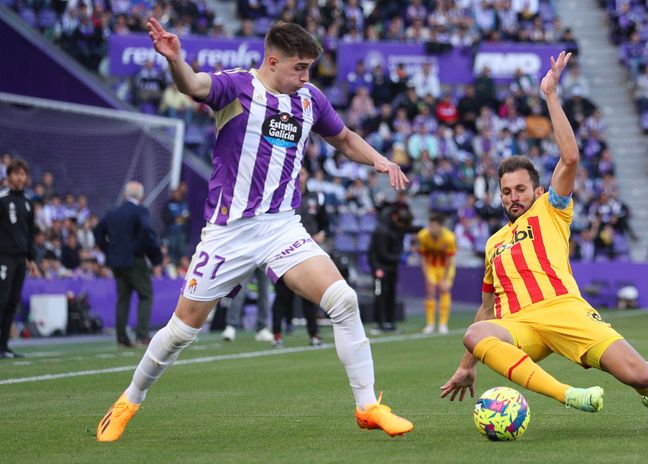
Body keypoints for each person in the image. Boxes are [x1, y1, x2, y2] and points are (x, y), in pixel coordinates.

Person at [96, 19, 413, 442]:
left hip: (282, 226)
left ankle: (368, 406)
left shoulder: (310, 99)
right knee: (181, 332)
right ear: (272, 60)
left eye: (309, 69)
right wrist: (175, 60)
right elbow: (193, 84)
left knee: (343, 299)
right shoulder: (237, 87)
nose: (305, 78)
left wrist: (379, 160)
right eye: (299, 68)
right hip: (230, 230)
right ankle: (127, 401)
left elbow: (343, 137)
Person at [439, 52, 648, 432]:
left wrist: (550, 95)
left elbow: (571, 156)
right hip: (520, 326)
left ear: (537, 190)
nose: (513, 196)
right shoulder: (493, 242)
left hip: (565, 311)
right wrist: (466, 367)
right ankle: (568, 395)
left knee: (639, 375)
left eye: (520, 189)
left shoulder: (551, 210)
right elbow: (486, 308)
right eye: (506, 191)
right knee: (475, 331)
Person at [93, 181, 163, 348]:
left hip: (116, 262)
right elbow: (147, 234)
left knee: (123, 299)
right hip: (135, 260)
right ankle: (142, 335)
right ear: (141, 195)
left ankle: (122, 338)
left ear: (125, 195)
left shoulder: (112, 212)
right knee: (145, 295)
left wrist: (108, 251)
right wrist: (156, 258)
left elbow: (97, 231)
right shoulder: (140, 210)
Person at [271, 167, 329, 347]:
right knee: (282, 297)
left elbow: (325, 223)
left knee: (309, 296)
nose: (299, 177)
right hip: (285, 253)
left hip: (307, 253)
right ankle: (277, 335)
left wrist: (322, 234)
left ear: (307, 176)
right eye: (297, 173)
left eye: (302, 173)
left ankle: (314, 335)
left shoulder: (316, 198)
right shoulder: (282, 196)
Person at [0, 159, 39, 359]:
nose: (19, 177)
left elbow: (29, 233)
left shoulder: (28, 201)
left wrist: (31, 259)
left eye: (22, 174)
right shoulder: (2, 198)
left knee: (12, 302)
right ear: (8, 176)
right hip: (3, 257)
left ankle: (4, 346)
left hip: (20, 259)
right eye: (16, 174)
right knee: (1, 299)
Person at [367, 206, 413, 335]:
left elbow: (410, 228)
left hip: (392, 266)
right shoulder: (382, 231)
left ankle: (389, 322)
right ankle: (378, 323)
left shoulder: (397, 227)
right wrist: (402, 258)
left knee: (391, 294)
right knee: (379, 294)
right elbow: (382, 254)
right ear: (395, 218)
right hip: (380, 266)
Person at [416, 213, 457, 334]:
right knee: (430, 290)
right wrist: (426, 276)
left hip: (445, 267)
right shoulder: (422, 235)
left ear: (440, 227)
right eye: (430, 225)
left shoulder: (449, 238)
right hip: (431, 266)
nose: (431, 228)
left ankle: (443, 324)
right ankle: (430, 324)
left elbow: (450, 259)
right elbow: (422, 257)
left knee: (444, 289)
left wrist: (444, 278)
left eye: (434, 225)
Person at [220, 267, 274, 342]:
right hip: (247, 256)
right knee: (239, 290)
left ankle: (262, 328)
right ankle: (231, 326)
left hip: (264, 257)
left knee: (265, 292)